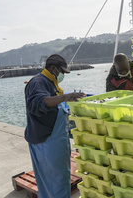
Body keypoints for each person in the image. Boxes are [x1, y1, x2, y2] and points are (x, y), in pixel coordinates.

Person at [24, 54, 85, 198]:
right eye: (61, 71)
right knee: (53, 179)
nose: (63, 74)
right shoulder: (38, 82)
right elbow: (39, 102)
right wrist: (64, 97)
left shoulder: (51, 82)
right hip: (46, 141)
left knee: (58, 178)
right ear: (53, 68)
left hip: (55, 139)